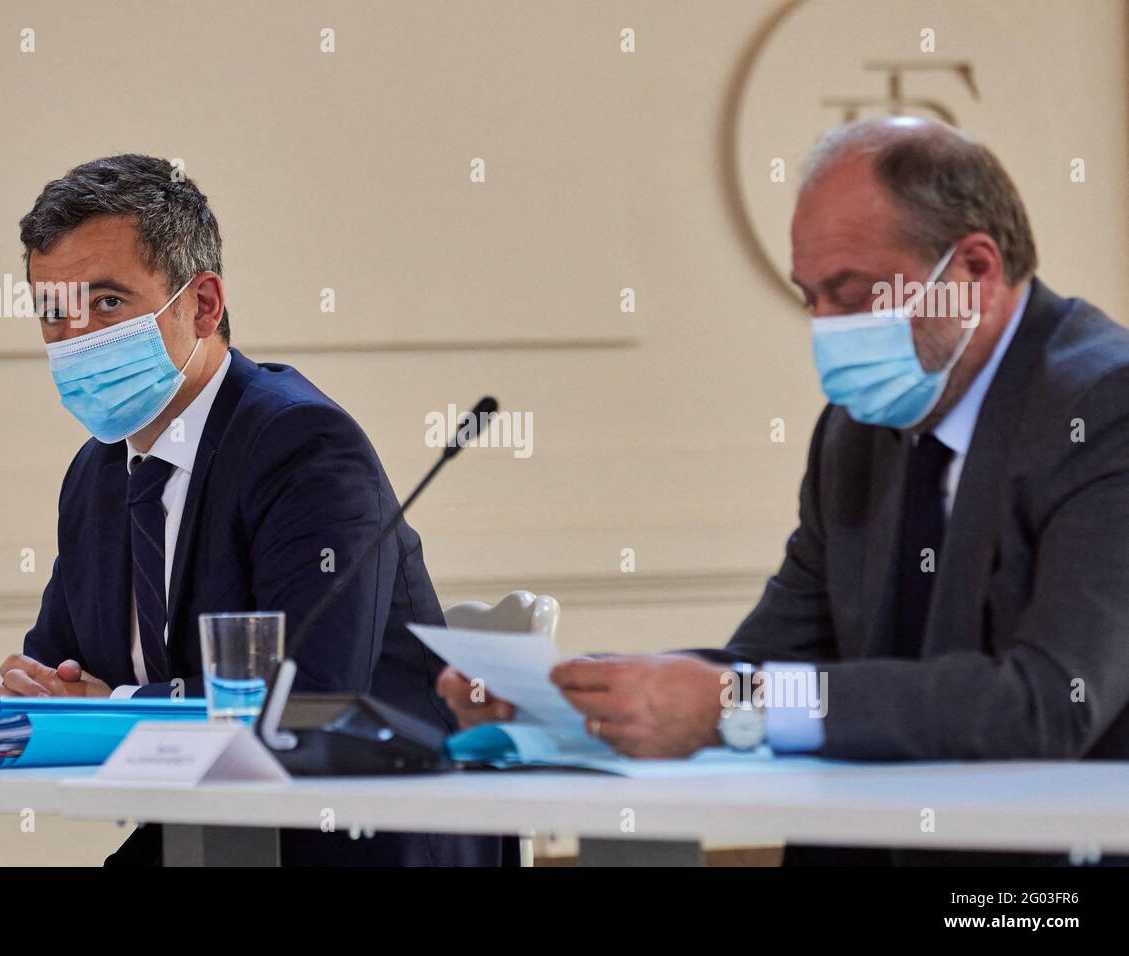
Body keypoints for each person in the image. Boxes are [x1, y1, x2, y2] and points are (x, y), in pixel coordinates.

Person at [438, 117, 1129, 865]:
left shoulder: (1103, 408)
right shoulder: (856, 431)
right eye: (811, 300)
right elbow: (771, 659)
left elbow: (1046, 703)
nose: (826, 331)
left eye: (853, 294)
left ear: (974, 269)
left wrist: (738, 705)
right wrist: (577, 695)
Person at [0, 154, 504, 867]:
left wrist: (116, 706)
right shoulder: (98, 470)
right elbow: (64, 667)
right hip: (212, 827)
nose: (74, 338)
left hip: (364, 829)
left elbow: (312, 693)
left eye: (107, 303)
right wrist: (42, 690)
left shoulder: (302, 444)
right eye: (54, 312)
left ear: (202, 304)